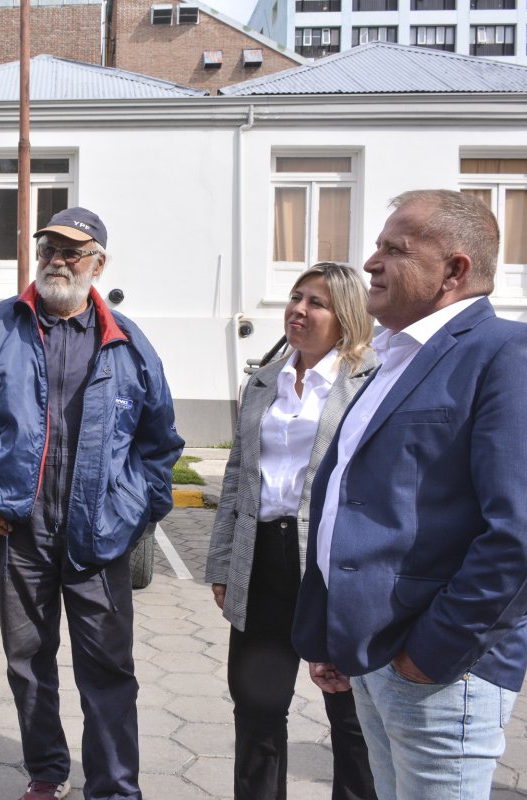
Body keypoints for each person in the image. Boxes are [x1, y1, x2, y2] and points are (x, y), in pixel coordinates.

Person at [293, 190, 527, 800]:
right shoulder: (392, 358)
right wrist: (335, 633)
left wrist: (431, 654)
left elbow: (526, 536)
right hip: (373, 657)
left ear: (454, 270)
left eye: (394, 249)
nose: (370, 263)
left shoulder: (512, 354)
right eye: (377, 246)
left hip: (441, 673)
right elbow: (356, 503)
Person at [0, 207, 182, 800]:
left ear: (99, 263)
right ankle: (47, 771)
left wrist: (136, 509)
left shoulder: (127, 342)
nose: (57, 260)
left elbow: (159, 444)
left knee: (109, 669)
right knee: (26, 660)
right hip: (19, 528)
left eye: (73, 251)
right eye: (49, 248)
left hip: (99, 532)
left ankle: (114, 787)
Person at [206, 263, 378, 800]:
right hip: (261, 559)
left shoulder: (370, 380)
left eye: (316, 303)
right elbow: (237, 474)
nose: (298, 310)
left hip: (330, 564)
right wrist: (222, 563)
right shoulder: (264, 381)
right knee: (257, 705)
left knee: (350, 715)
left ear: (346, 315)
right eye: (295, 297)